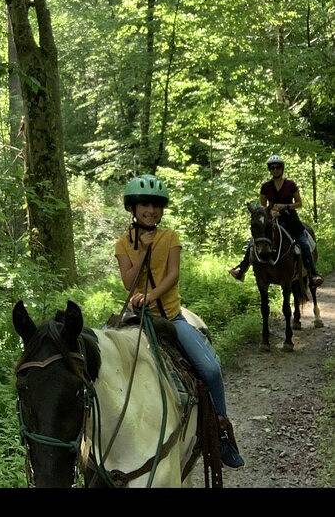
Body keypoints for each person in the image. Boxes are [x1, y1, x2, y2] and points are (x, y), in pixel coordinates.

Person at [115, 173, 245, 469]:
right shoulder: (122, 245)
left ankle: (221, 433)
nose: (151, 211)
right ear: (133, 208)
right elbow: (128, 283)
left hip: (171, 318)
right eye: (145, 205)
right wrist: (143, 251)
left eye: (156, 206)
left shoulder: (170, 237)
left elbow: (173, 275)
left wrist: (151, 296)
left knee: (211, 369)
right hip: (137, 320)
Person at [228, 154, 323, 287]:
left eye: (278, 167)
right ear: (270, 170)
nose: (275, 170)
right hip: (272, 219)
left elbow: (299, 203)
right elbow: (263, 207)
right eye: (272, 168)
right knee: (254, 241)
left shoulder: (290, 185)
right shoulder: (265, 186)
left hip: (291, 220)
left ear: (282, 168)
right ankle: (241, 269)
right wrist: (271, 211)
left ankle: (313, 274)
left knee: (304, 242)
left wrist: (285, 206)